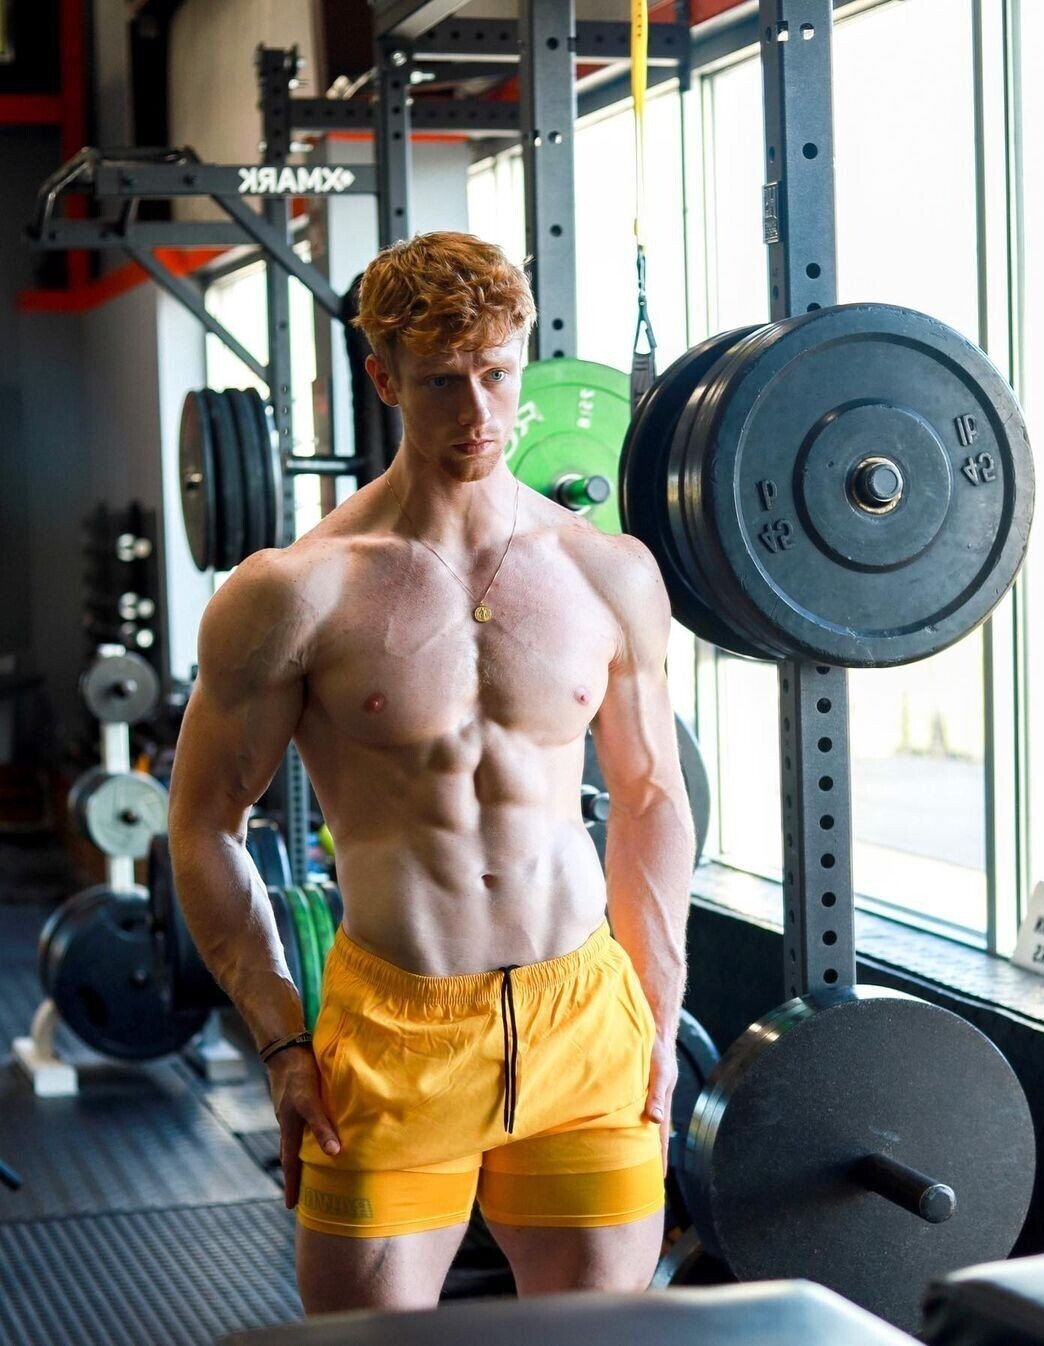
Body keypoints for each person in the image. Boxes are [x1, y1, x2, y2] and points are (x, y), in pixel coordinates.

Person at [168, 232, 695, 1315]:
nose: (479, 413)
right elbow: (205, 821)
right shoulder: (295, 591)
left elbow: (649, 794)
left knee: (595, 1342)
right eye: (443, 382)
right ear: (384, 379)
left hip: (583, 1016)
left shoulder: (609, 571)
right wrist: (280, 1034)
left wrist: (656, 1003)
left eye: (497, 373)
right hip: (394, 1030)